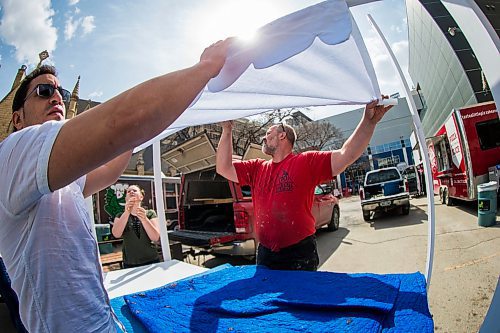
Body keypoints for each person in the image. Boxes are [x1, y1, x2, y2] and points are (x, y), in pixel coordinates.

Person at [0, 38, 230, 332]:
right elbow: (122, 121)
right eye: (44, 91)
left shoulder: (59, 179)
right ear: (17, 118)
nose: (56, 97)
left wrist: (134, 135)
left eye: (62, 91)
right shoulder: (13, 153)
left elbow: (108, 171)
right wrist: (207, 68)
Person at [216, 98, 393, 271]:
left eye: (268, 133)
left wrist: (369, 122)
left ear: (282, 135)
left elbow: (345, 155)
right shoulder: (257, 168)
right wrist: (227, 130)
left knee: (301, 301)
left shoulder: (305, 162)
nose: (264, 137)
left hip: (299, 253)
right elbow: (223, 168)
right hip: (265, 254)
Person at [112, 185, 161, 268]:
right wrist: (126, 213)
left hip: (151, 260)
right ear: (126, 198)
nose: (131, 192)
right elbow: (116, 234)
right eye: (128, 191)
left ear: (141, 197)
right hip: (130, 262)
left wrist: (144, 219)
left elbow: (155, 237)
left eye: (134, 190)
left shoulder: (150, 213)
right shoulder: (120, 216)